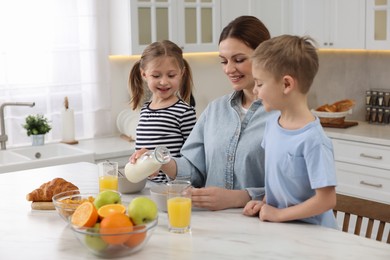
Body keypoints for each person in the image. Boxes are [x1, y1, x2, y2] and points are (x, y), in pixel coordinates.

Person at [131, 16, 276, 210]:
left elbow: (296, 189)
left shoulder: (282, 116)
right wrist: (160, 161)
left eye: (239, 60)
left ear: (264, 57)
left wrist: (240, 197)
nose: (229, 69)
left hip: (263, 230)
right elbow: (194, 170)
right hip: (212, 227)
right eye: (224, 61)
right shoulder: (215, 111)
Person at [243, 35, 338, 229]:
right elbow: (277, 180)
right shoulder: (272, 125)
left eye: (260, 84)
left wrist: (279, 214)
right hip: (286, 231)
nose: (255, 91)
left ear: (286, 84)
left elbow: (327, 200)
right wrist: (265, 202)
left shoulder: (313, 140)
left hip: (317, 238)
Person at [128, 40, 197, 183]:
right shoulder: (145, 110)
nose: (164, 82)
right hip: (147, 188)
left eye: (171, 75)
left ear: (181, 73)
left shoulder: (184, 112)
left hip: (173, 190)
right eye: (156, 76)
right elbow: (143, 151)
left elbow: (192, 160)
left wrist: (162, 166)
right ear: (144, 74)